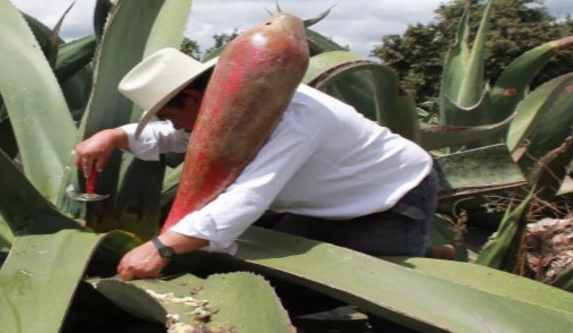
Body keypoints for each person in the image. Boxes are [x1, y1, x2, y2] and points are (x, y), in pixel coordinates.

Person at [74, 47, 439, 329]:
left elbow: (249, 196)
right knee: (277, 281)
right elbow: (182, 136)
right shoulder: (233, 106)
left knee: (385, 299)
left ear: (194, 99)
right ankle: (430, 254)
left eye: (170, 115)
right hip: (319, 203)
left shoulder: (292, 119)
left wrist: (162, 247)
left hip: (387, 199)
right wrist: (114, 136)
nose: (175, 126)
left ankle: (427, 266)